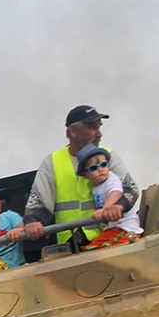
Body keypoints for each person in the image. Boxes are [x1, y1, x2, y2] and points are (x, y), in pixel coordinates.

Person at [23, 105, 138, 248]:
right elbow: (37, 204)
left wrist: (118, 206)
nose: (99, 134)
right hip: (72, 248)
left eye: (99, 127)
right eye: (92, 128)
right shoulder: (52, 163)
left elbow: (131, 189)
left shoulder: (108, 156)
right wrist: (32, 221)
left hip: (111, 239)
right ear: (73, 131)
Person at [74, 144, 143, 249]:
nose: (100, 169)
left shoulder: (111, 179)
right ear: (85, 175)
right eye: (93, 168)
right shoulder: (95, 187)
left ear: (109, 166)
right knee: (91, 248)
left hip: (126, 228)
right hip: (114, 228)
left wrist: (104, 209)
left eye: (103, 164)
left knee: (93, 249)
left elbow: (116, 192)